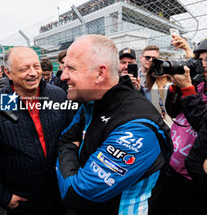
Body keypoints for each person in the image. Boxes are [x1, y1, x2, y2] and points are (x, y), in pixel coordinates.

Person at [56, 35, 172, 215]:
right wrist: (69, 147)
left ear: (100, 73)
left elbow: (76, 194)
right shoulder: (92, 101)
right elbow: (65, 139)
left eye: (71, 68)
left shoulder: (137, 126)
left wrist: (69, 149)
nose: (63, 76)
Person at [0, 46, 74, 215]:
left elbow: (71, 139)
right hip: (21, 202)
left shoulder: (59, 95)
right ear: (8, 73)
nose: (33, 73)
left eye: (36, 66)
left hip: (59, 195)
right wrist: (2, 196)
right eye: (24, 69)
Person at [163, 38, 207, 215]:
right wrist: (177, 88)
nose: (203, 65)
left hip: (191, 178)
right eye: (201, 59)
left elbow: (203, 125)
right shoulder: (199, 83)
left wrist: (188, 89)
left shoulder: (193, 86)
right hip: (170, 165)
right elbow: (172, 112)